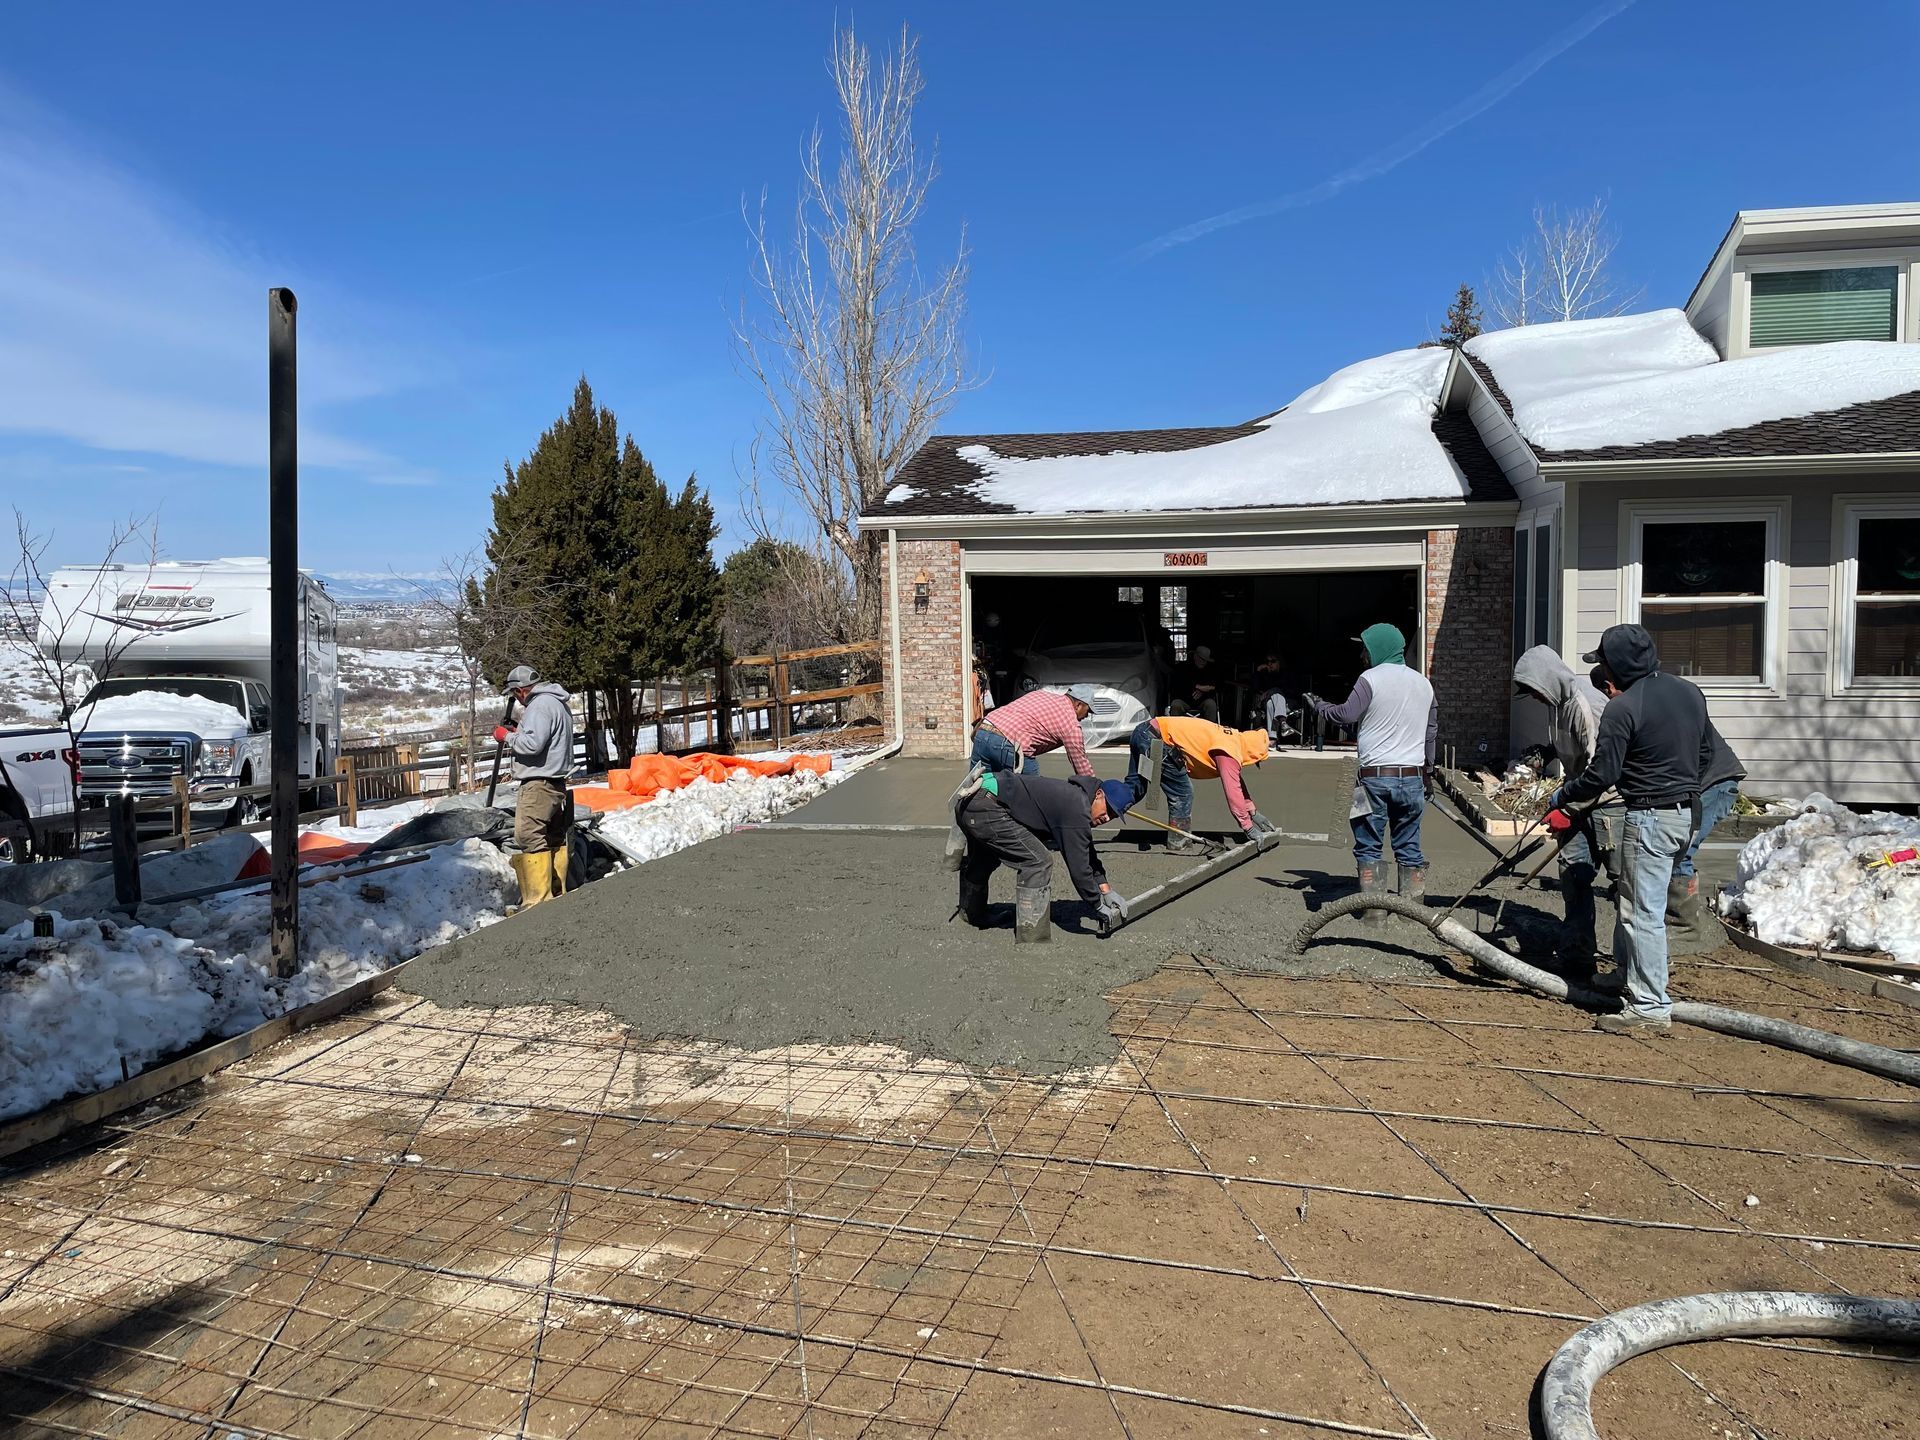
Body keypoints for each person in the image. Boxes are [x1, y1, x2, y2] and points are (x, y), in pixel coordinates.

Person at [1549, 624, 1714, 1035]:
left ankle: (1650, 1006)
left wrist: (1563, 795)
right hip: (1685, 814)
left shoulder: (1623, 707)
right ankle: (1628, 975)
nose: (1602, 670)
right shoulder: (1688, 692)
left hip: (1649, 816)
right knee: (1635, 899)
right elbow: (1706, 753)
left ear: (1616, 666)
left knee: (1642, 913)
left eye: (1604, 662)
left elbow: (1602, 773)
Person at [1306, 623, 1437, 917]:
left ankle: (1374, 915)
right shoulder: (1424, 684)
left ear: (1378, 648)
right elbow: (1430, 732)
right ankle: (1413, 915)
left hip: (1372, 779)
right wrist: (1427, 773)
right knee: (1409, 844)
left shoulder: (1370, 679)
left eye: (1365, 649)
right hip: (1412, 779)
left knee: (1368, 845)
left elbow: (1346, 714)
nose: (1362, 655)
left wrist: (1320, 707)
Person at [955, 770, 1139, 943]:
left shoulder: (1078, 798)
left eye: (1113, 816)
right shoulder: (1077, 809)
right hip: (985, 807)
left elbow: (1086, 851)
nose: (1107, 818)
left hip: (974, 801)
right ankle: (1031, 934)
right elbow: (1079, 868)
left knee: (986, 857)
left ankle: (972, 913)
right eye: (1108, 810)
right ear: (1099, 794)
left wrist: (1106, 890)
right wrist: (1097, 904)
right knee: (1038, 862)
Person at [1512, 645, 1610, 964]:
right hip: (1579, 796)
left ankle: (1631, 963)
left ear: (1548, 680)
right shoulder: (1556, 703)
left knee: (1624, 882)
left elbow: (1601, 769)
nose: (1535, 698)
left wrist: (1568, 810)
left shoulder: (1585, 705)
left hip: (1607, 803)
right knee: (1573, 873)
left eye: (1535, 691)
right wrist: (1547, 752)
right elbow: (1568, 744)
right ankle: (1577, 956)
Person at [1126, 714, 1279, 849]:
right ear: (1253, 751)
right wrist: (1248, 827)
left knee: (1136, 787)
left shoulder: (1234, 740)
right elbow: (1233, 791)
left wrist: (1252, 811)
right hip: (1156, 739)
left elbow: (1236, 781)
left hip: (1144, 731)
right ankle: (1178, 843)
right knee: (1182, 794)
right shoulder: (1228, 752)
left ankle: (1110, 805)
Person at [496, 664, 576, 907]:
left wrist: (506, 736)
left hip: (539, 783)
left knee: (528, 835)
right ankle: (556, 891)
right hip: (554, 781)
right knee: (551, 836)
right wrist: (519, 732)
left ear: (521, 690)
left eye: (515, 694)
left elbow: (532, 745)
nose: (517, 701)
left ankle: (538, 900)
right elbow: (542, 738)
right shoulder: (556, 703)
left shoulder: (539, 705)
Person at [969, 684, 1095, 777]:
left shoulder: (1041, 694)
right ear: (1078, 705)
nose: (1086, 716)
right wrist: (1096, 792)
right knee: (1031, 796)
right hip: (1009, 743)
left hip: (983, 731)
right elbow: (1081, 765)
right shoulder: (1070, 723)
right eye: (1088, 711)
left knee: (979, 789)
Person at [1171, 645, 1221, 722]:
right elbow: (1178, 685)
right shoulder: (1184, 667)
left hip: (1203, 701)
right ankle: (1176, 729)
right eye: (1202, 659)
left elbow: (1217, 686)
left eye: (1206, 660)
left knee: (1211, 704)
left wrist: (1202, 691)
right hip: (1185, 700)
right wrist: (1196, 686)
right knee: (1176, 704)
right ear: (1195, 656)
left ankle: (1208, 729)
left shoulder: (1210, 670)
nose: (1204, 662)